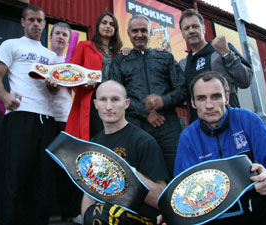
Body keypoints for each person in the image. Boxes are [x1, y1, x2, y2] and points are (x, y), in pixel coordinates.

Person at [171, 71, 266, 225]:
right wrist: (172, 214)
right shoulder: (188, 137)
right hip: (217, 217)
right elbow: (182, 190)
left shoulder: (247, 119)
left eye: (216, 96)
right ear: (193, 103)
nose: (209, 105)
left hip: (260, 206)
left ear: (226, 98)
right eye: (201, 98)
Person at [0, 5, 58, 225]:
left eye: (39, 20)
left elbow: (55, 90)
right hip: (20, 116)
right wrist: (4, 95)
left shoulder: (51, 55)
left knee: (42, 180)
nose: (36, 24)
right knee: (13, 177)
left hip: (46, 119)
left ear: (44, 24)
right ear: (23, 22)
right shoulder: (11, 45)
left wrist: (53, 85)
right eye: (31, 20)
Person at [109, 14, 187, 179]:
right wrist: (146, 113)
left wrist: (163, 101)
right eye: (135, 30)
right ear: (128, 33)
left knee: (178, 174)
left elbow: (183, 89)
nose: (139, 34)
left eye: (144, 30)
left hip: (168, 126)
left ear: (150, 33)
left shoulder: (165, 57)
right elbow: (116, 95)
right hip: (136, 126)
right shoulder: (120, 60)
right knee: (140, 178)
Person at [81, 80, 169, 224]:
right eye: (103, 100)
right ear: (96, 104)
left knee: (102, 213)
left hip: (139, 218)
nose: (109, 106)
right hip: (103, 217)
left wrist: (126, 173)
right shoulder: (93, 144)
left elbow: (162, 198)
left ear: (126, 103)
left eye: (115, 99)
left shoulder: (143, 141)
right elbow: (89, 194)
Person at [179, 9, 253, 123]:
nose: (191, 31)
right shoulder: (183, 64)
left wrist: (226, 53)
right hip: (200, 129)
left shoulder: (221, 48)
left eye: (195, 26)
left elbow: (245, 80)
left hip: (229, 124)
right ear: (182, 33)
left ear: (204, 28)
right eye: (186, 28)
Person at [65, 12, 123, 141]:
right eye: (104, 23)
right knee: (94, 136)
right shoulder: (84, 46)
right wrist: (83, 83)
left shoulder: (118, 53)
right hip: (91, 97)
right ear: (97, 26)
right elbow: (72, 74)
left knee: (111, 137)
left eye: (112, 24)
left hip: (113, 99)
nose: (108, 26)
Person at [48, 22, 82, 224]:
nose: (61, 37)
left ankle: (69, 211)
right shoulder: (43, 59)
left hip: (66, 119)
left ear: (69, 41)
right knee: (43, 167)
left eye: (64, 35)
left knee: (67, 169)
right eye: (57, 33)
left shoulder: (74, 64)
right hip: (43, 118)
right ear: (51, 37)